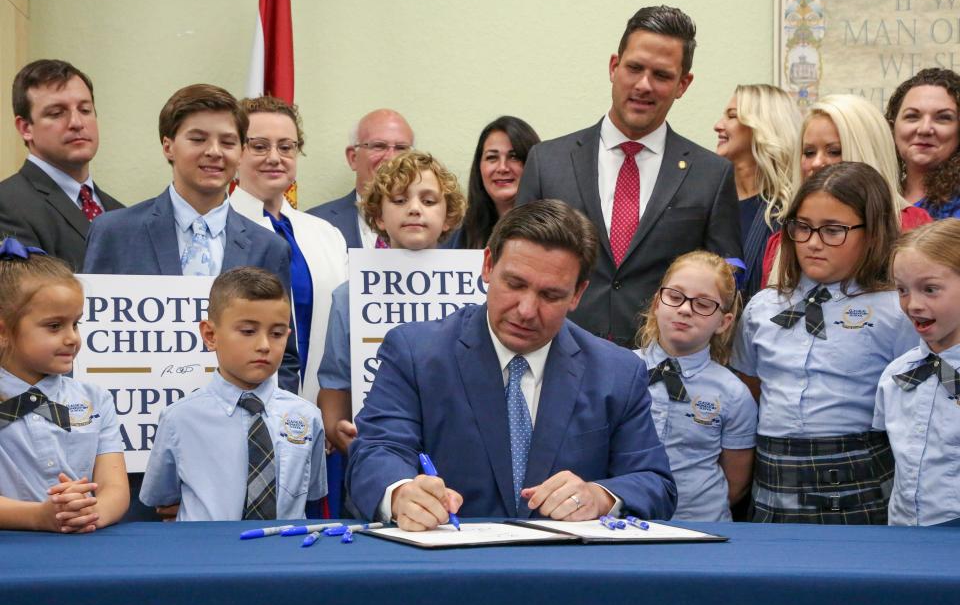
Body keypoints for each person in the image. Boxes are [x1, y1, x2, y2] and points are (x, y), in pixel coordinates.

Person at [348, 199, 676, 530]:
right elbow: (375, 454)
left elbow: (654, 483)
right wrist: (402, 493)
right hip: (449, 569)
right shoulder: (416, 353)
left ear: (578, 294)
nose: (526, 310)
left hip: (570, 571)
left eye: (550, 295)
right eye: (515, 284)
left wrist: (600, 497)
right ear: (488, 265)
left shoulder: (616, 372)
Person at [516, 5, 740, 347]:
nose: (644, 85)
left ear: (683, 84)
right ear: (613, 67)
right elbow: (519, 263)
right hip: (557, 356)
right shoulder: (547, 162)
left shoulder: (711, 175)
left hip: (661, 372)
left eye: (662, 75)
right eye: (634, 68)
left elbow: (725, 282)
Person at [80, 84, 299, 393]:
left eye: (228, 141)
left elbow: (284, 356)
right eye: (198, 139)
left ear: (240, 152)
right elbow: (91, 342)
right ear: (168, 146)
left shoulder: (269, 246)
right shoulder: (115, 232)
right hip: (137, 423)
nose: (214, 151)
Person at [732, 162, 917, 524]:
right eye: (802, 228)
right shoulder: (763, 307)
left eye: (834, 230)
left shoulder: (896, 310)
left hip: (858, 478)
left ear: (873, 232)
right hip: (774, 479)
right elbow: (747, 391)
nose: (813, 243)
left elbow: (910, 406)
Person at [140, 267, 326, 521]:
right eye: (248, 331)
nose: (264, 345)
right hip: (206, 555)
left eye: (277, 333)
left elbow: (312, 493)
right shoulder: (179, 419)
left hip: (285, 554)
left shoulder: (307, 417)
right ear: (210, 334)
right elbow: (162, 499)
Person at [318, 150, 465, 457]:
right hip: (379, 449)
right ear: (378, 218)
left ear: (448, 215)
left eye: (428, 200)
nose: (414, 209)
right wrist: (335, 427)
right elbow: (335, 381)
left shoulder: (479, 292)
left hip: (461, 450)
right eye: (399, 201)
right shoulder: (349, 295)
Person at [0, 238, 129, 532]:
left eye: (76, 323)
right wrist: (39, 516)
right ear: (3, 331)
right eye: (54, 326)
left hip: (83, 549)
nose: (72, 338)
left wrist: (90, 512)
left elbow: (115, 489)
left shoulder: (95, 400)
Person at [229, 96, 348, 401]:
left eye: (286, 147)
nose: (274, 157)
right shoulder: (218, 231)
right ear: (236, 153)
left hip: (323, 408)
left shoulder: (327, 235)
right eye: (259, 146)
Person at [634, 251, 756, 521]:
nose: (685, 309)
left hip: (702, 527)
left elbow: (736, 483)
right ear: (657, 303)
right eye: (675, 297)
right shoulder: (619, 370)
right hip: (626, 523)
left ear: (723, 322)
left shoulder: (733, 393)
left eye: (703, 304)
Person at [762, 94, 932, 287]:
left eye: (834, 151)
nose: (817, 163)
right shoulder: (782, 242)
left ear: (867, 153)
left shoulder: (912, 227)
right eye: (809, 152)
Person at [0, 60, 123, 271]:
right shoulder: (6, 204)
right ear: (25, 128)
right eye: (57, 113)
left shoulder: (119, 213)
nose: (76, 122)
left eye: (85, 110)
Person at [876, 219, 960, 526]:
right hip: (904, 536)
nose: (913, 304)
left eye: (930, 289)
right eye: (901, 290)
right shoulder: (895, 376)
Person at [713, 84, 800, 298]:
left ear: (762, 127)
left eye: (732, 116)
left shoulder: (790, 211)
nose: (717, 126)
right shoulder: (710, 199)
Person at [306, 109, 414, 249]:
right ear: (353, 158)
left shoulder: (444, 228)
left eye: (401, 148)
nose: (391, 158)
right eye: (379, 146)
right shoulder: (315, 223)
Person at [886, 68, 960, 219]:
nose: (924, 129)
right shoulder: (877, 195)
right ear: (892, 128)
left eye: (943, 118)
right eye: (912, 116)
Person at [458, 116, 540, 249]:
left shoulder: (556, 232)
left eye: (514, 157)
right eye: (492, 157)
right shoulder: (459, 235)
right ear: (479, 167)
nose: (502, 168)